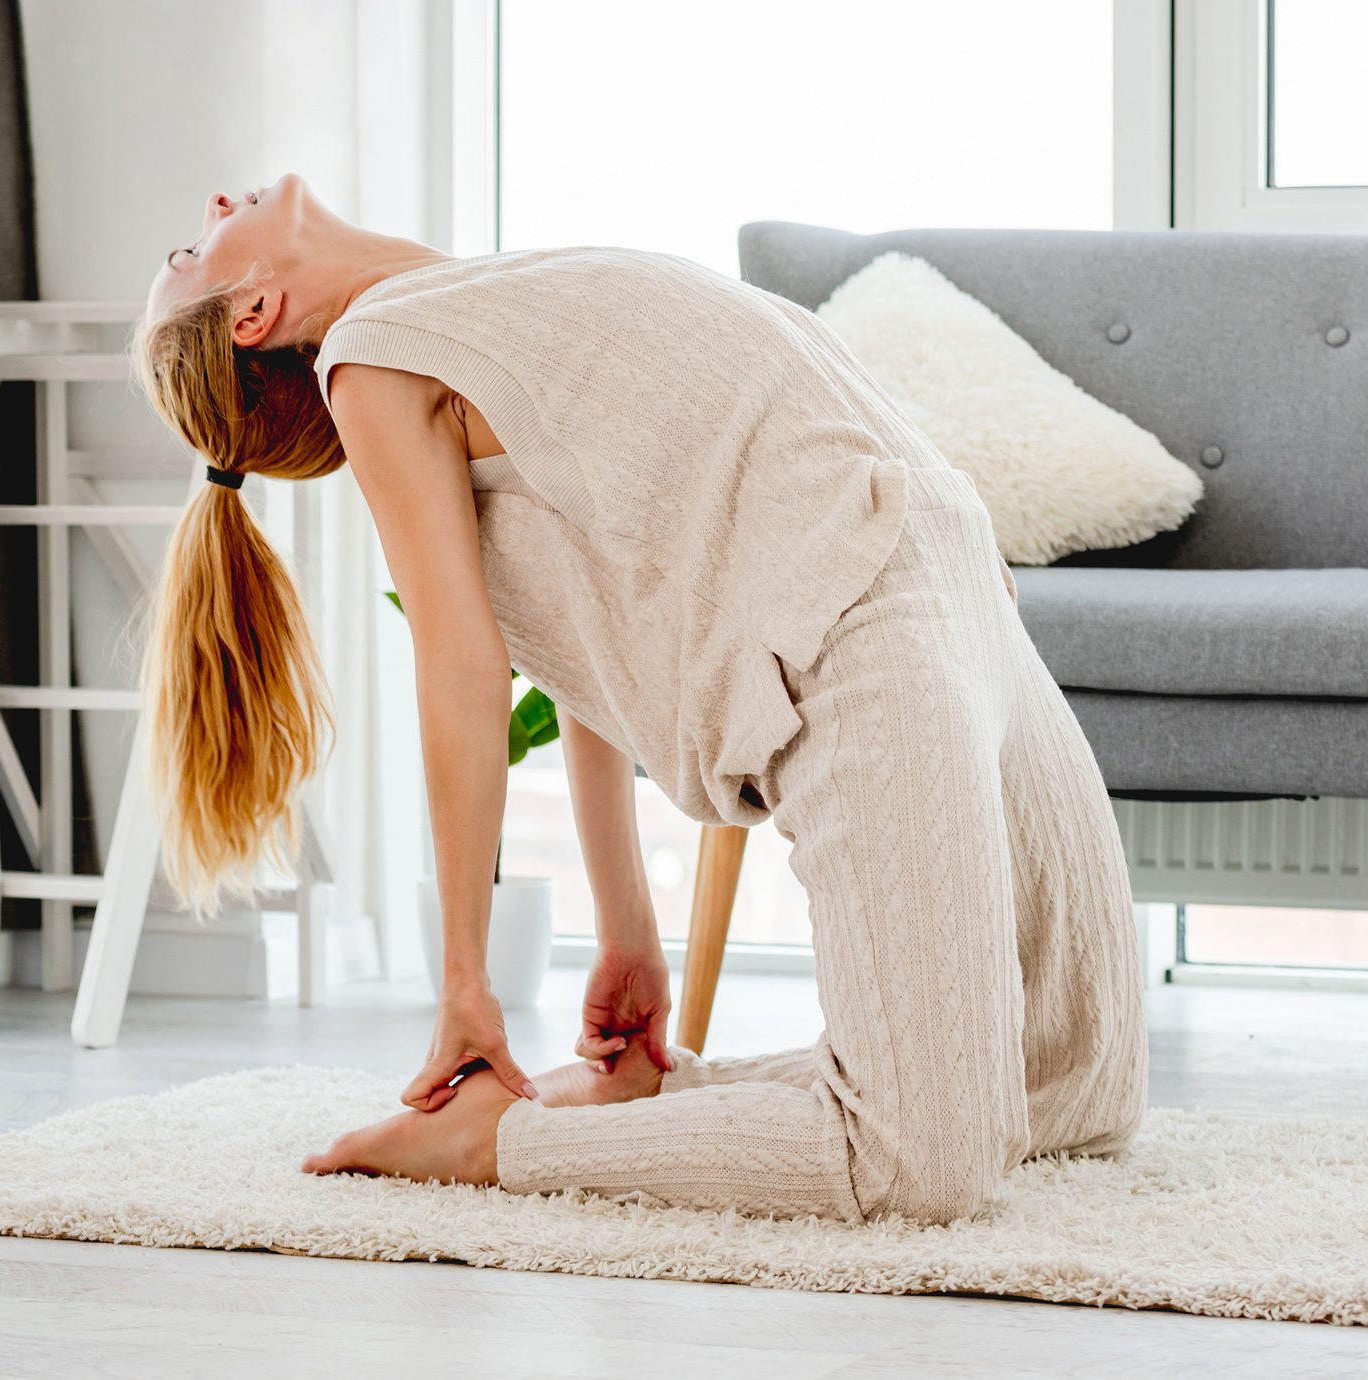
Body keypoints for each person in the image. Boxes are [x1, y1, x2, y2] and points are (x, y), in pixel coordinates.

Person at [129, 172, 1148, 1226]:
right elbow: (464, 673)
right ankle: (501, 1142)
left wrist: (626, 930)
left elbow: (584, 624)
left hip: (964, 591)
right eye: (188, 255)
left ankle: (653, 1099)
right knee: (920, 1166)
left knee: (1075, 1088)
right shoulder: (372, 360)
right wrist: (464, 991)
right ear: (252, 312)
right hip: (858, 616)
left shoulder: (475, 300)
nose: (209, 203)